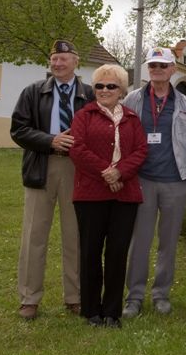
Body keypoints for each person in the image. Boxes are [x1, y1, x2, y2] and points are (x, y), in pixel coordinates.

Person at [10, 39, 94, 320]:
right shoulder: (33, 92)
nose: (57, 63)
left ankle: (75, 296)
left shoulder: (90, 94)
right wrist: (50, 140)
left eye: (63, 59)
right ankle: (29, 298)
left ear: (76, 61)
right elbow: (19, 130)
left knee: (75, 235)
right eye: (53, 58)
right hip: (41, 165)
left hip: (77, 169)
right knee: (34, 234)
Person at [121, 47, 186, 318]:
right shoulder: (132, 99)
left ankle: (161, 294)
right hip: (142, 179)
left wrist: (185, 167)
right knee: (140, 240)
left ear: (172, 69)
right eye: (152, 66)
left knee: (168, 241)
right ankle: (135, 296)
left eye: (162, 66)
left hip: (175, 181)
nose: (157, 70)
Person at [70, 64, 148, 327]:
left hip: (124, 196)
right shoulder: (84, 116)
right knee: (91, 253)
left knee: (116, 254)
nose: (104, 90)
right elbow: (77, 150)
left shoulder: (132, 118)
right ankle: (91, 310)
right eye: (99, 86)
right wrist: (106, 172)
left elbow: (140, 150)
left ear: (122, 90)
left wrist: (120, 173)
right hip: (90, 194)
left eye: (111, 86)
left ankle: (112, 311)